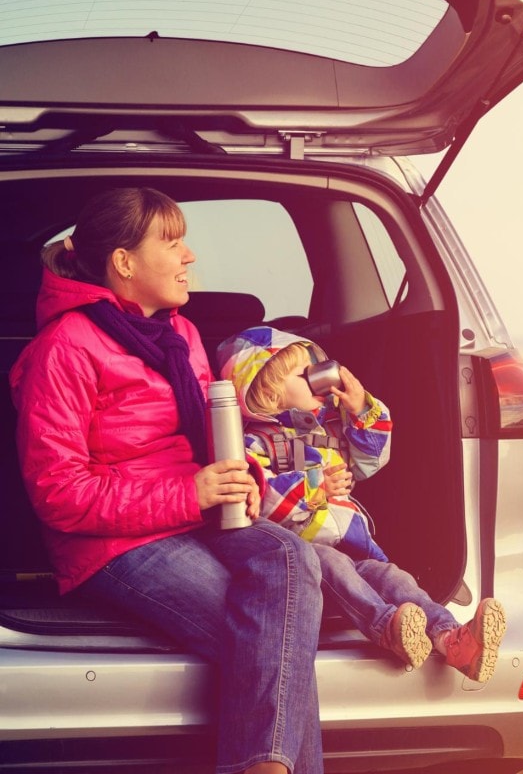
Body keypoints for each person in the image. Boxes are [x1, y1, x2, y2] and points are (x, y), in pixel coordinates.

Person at [10, 187, 324, 774]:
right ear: (124, 262)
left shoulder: (180, 336)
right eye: (172, 242)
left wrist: (243, 475)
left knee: (287, 561)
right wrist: (191, 492)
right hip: (110, 543)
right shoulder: (64, 348)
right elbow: (59, 494)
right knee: (273, 644)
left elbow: (210, 440)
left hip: (189, 513)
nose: (190, 257)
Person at [217, 326, 507, 682]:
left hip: (356, 548)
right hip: (303, 557)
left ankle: (452, 638)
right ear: (269, 389)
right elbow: (259, 498)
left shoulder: (325, 431)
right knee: (335, 564)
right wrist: (315, 486)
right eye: (305, 375)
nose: (319, 380)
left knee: (393, 577)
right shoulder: (255, 442)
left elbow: (371, 459)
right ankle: (388, 627)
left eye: (319, 369)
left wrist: (361, 410)